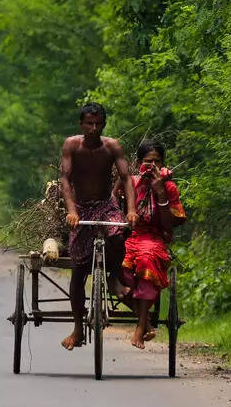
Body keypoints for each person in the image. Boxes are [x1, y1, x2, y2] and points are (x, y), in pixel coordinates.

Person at [59, 102, 138, 350]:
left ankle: (113, 274)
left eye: (98, 124)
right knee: (79, 269)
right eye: (89, 123)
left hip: (106, 205)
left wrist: (132, 210)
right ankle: (77, 329)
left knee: (118, 234)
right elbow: (65, 179)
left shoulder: (112, 146)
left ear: (103, 124)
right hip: (81, 208)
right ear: (81, 124)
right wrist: (71, 210)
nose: (94, 128)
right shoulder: (72, 145)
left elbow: (126, 178)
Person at [119, 140, 187, 348]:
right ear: (139, 163)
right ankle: (147, 321)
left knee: (147, 260)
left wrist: (160, 193)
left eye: (157, 161)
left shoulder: (169, 187)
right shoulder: (130, 183)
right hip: (129, 236)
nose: (153, 166)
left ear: (163, 163)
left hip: (155, 237)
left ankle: (140, 326)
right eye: (148, 162)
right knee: (115, 267)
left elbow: (169, 225)